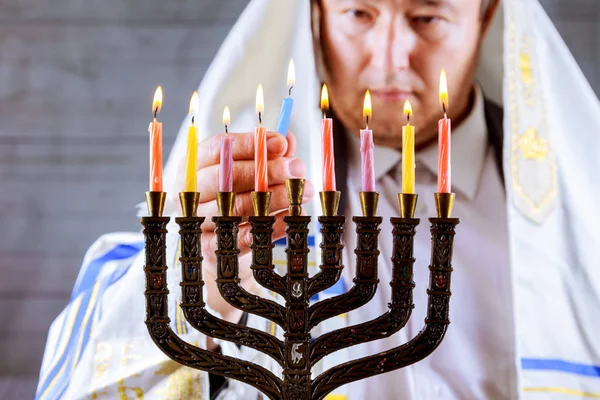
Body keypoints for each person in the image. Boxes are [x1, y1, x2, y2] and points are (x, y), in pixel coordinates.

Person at [35, 0, 600, 399]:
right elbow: (86, 380)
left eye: (427, 16)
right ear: (314, 15)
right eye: (358, 13)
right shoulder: (250, 193)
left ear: (489, 14)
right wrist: (201, 289)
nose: (389, 57)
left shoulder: (577, 206)